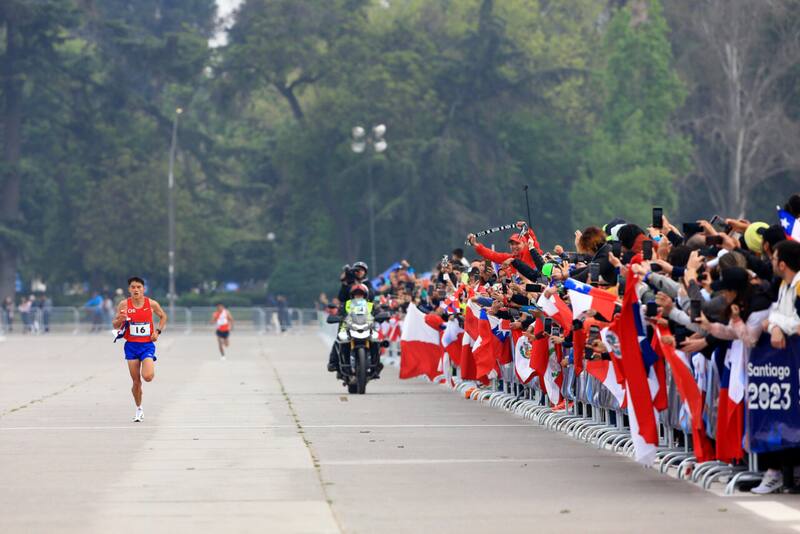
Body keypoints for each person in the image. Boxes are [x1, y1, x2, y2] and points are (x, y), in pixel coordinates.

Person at [112, 276, 167, 423]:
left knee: (148, 376)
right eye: (133, 287)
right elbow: (115, 325)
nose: (136, 289)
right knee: (136, 382)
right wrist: (120, 320)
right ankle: (139, 408)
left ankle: (140, 403)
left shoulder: (151, 303)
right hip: (131, 346)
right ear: (129, 289)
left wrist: (157, 332)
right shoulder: (124, 304)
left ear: (143, 289)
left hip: (147, 345)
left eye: (139, 287)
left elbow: (163, 316)